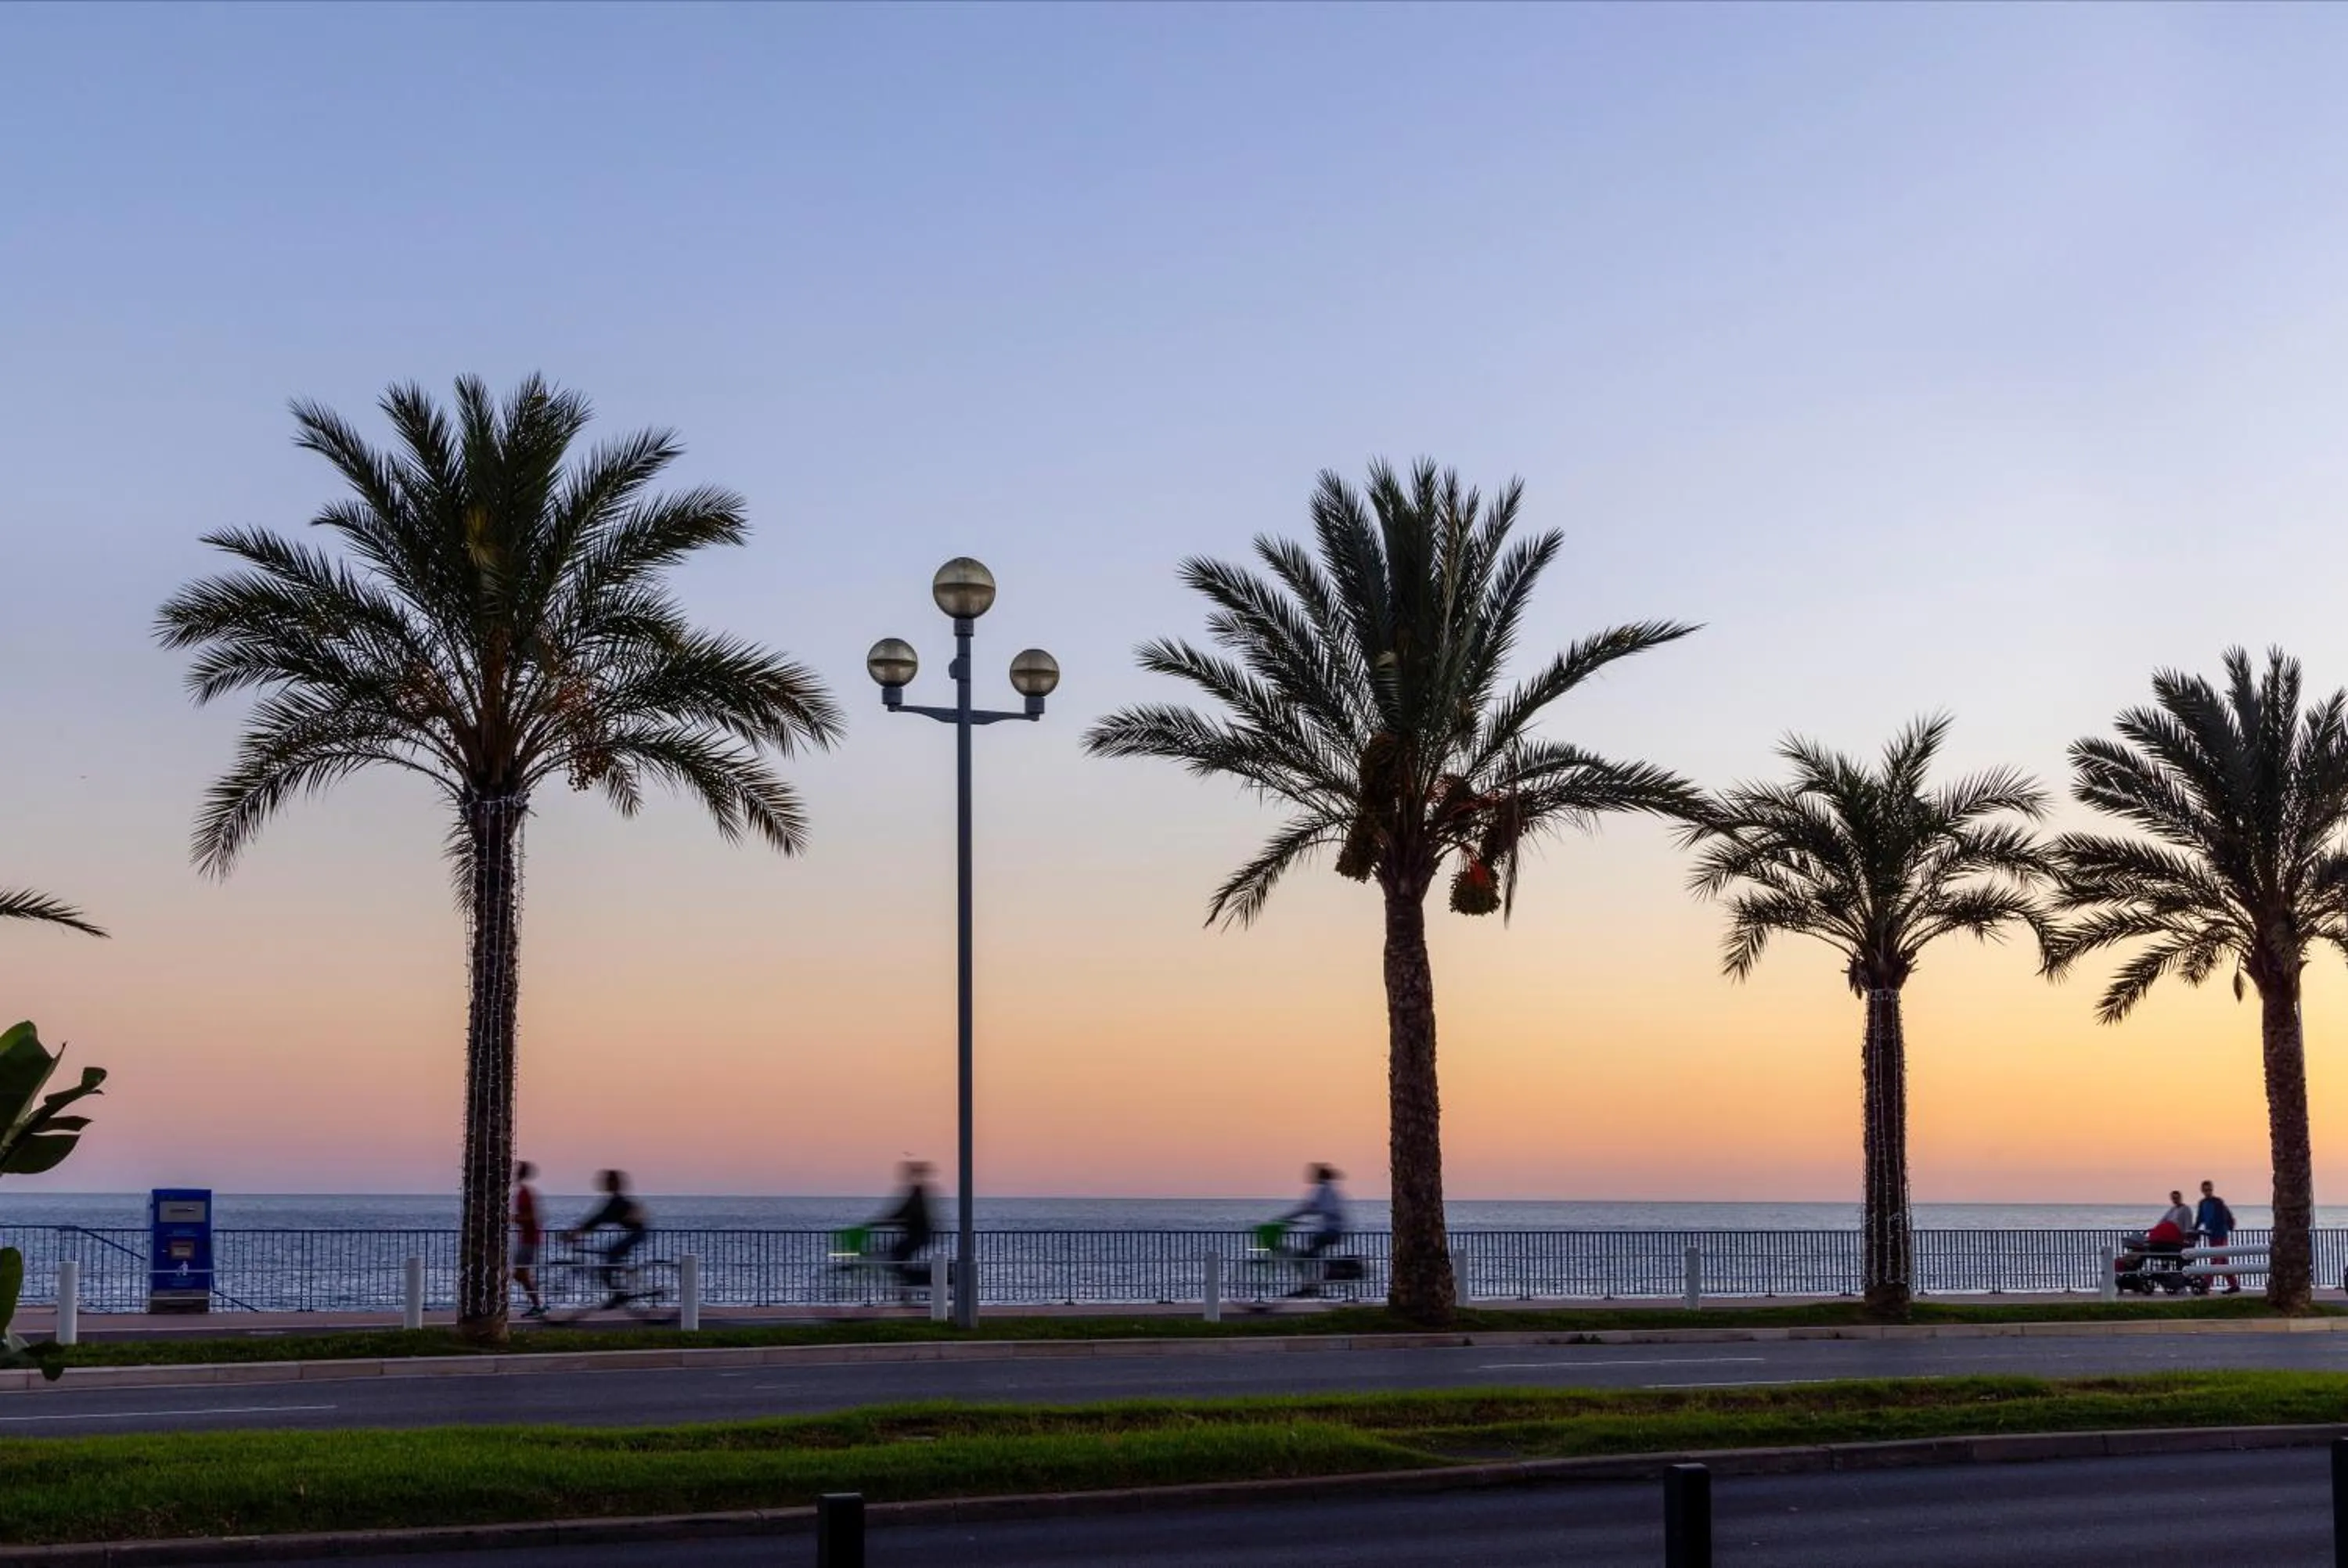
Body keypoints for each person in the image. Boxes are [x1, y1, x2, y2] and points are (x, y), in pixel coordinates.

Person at [567, 1169, 650, 1308]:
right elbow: (598, 1218)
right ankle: (622, 1282)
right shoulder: (615, 1200)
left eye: (607, 1181)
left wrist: (577, 1232)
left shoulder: (617, 1201)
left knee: (608, 1263)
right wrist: (580, 1231)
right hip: (635, 1232)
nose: (604, 1184)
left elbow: (599, 1218)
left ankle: (618, 1295)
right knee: (610, 1258)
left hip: (637, 1233)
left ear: (613, 1183)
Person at [1280, 1163, 1347, 1296]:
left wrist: (1288, 1218)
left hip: (1332, 1230)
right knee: (1311, 1252)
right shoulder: (1328, 1190)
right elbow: (1313, 1207)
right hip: (1333, 1229)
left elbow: (1310, 1207)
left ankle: (1311, 1285)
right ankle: (1316, 1281)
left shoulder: (1324, 1190)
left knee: (1309, 1254)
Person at [876, 1160, 937, 1289]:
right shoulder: (916, 1192)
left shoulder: (917, 1193)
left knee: (897, 1257)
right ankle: (910, 1283)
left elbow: (906, 1212)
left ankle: (932, 1279)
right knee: (898, 1258)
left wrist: (883, 1221)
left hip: (919, 1235)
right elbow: (903, 1212)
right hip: (917, 1234)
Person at [511, 1161, 546, 1319]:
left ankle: (538, 1305)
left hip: (530, 1239)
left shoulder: (525, 1193)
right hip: (527, 1238)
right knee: (520, 1274)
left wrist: (512, 1218)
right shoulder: (524, 1192)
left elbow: (531, 1216)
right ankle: (538, 1304)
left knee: (521, 1274)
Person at [2196, 1180, 2240, 1295]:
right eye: (2205, 1190)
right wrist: (2194, 1230)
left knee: (2216, 1260)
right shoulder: (2202, 1203)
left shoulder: (2218, 1202)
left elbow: (2223, 1217)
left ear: (2212, 1189)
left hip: (2220, 1234)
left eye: (2209, 1190)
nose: (2207, 1192)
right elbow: (2200, 1218)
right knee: (2223, 1261)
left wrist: (2221, 1227)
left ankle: (2205, 1285)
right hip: (2211, 1236)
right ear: (2202, 1191)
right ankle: (2234, 1285)